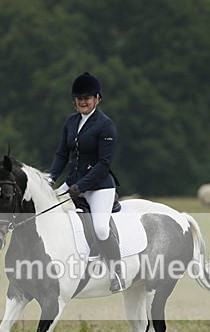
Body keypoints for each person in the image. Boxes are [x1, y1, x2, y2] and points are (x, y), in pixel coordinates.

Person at [49, 72, 125, 292]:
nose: (83, 101)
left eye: (87, 97)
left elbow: (103, 164)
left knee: (101, 229)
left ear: (97, 98)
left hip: (99, 186)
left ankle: (117, 273)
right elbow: (62, 154)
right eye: (79, 98)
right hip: (73, 183)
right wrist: (50, 179)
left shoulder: (106, 125)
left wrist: (81, 187)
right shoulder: (71, 122)